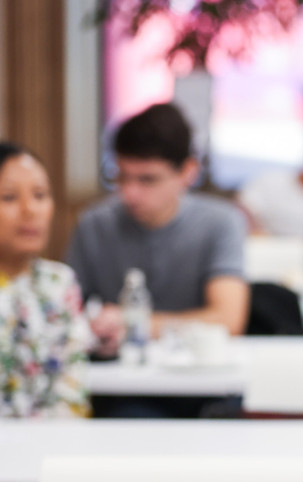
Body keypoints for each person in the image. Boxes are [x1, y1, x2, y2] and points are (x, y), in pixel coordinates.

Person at [68, 102, 248, 356]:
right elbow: (66, 316)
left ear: (188, 171)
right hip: (118, 380)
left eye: (147, 179)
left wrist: (135, 325)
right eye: (121, 177)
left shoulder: (221, 222)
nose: (130, 193)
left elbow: (229, 319)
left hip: (199, 377)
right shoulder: (94, 224)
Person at [0, 142, 90, 418]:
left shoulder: (59, 282)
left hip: (53, 445)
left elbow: (71, 384)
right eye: (9, 197)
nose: (30, 210)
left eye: (40, 195)